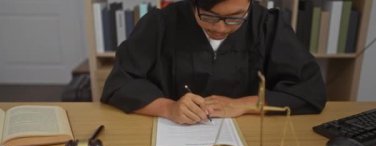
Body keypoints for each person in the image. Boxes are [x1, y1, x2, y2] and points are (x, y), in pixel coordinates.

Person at [101, 0, 326, 124]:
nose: (220, 29)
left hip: (245, 140)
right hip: (173, 138)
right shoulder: (161, 23)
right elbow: (120, 83)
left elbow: (310, 90)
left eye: (235, 17)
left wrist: (244, 104)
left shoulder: (267, 25)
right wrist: (169, 108)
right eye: (208, 16)